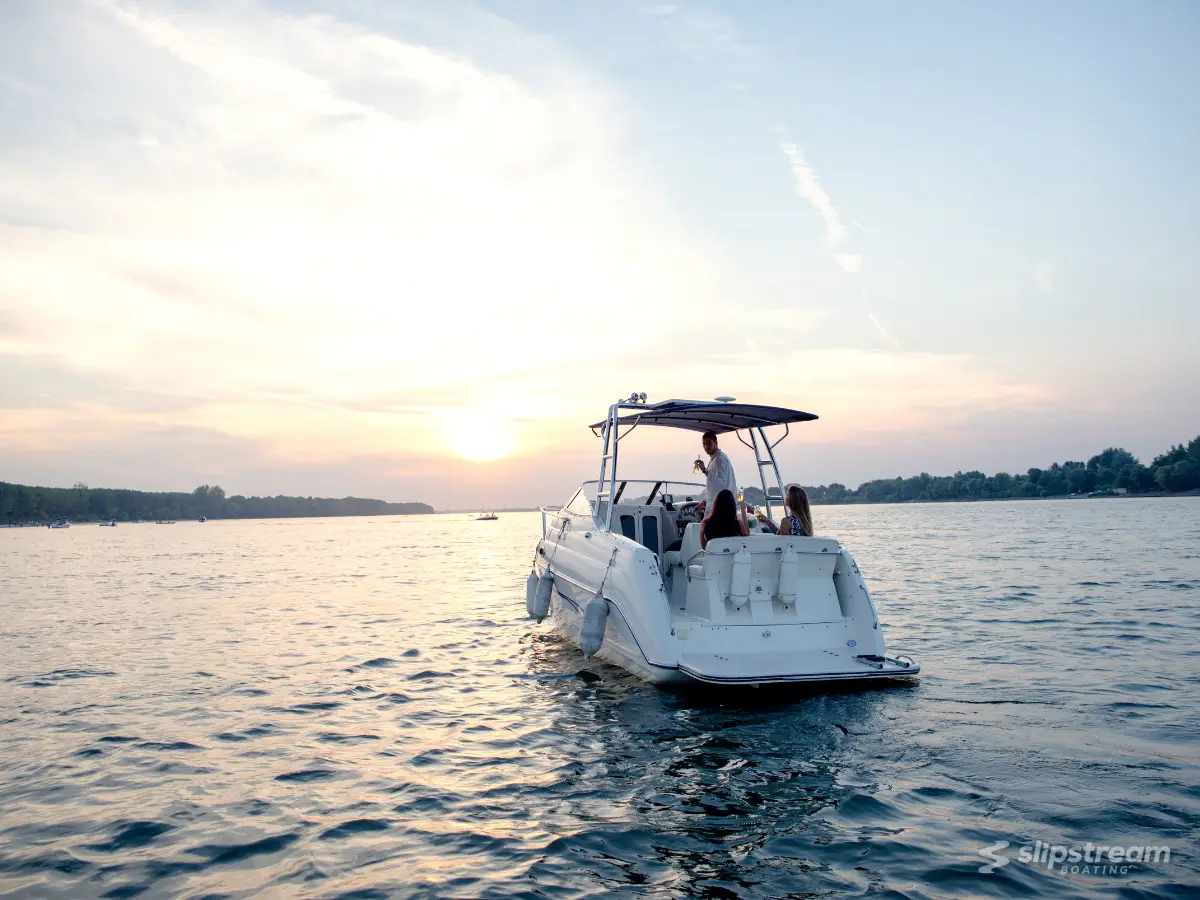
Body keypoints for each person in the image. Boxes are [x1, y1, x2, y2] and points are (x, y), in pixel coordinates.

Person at [693, 430, 737, 519]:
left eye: (709, 443)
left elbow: (721, 485)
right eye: (704, 444)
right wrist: (704, 502)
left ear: (716, 443)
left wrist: (704, 470)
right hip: (715, 506)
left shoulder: (719, 459)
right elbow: (713, 487)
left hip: (720, 508)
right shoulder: (715, 459)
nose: (706, 447)